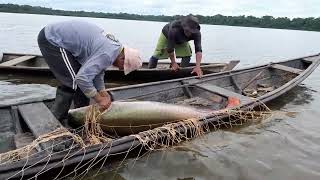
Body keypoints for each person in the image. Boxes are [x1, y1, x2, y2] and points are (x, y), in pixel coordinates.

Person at [37, 20, 142, 122]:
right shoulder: (108, 53)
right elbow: (82, 78)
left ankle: (81, 115)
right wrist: (99, 100)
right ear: (123, 58)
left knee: (82, 82)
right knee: (72, 81)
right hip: (52, 39)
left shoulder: (115, 49)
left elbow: (97, 72)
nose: (120, 69)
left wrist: (102, 91)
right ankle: (56, 119)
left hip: (65, 41)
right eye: (122, 67)